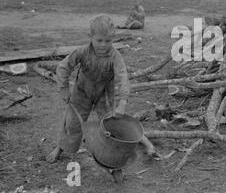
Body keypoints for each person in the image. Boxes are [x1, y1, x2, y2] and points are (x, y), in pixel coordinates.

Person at [46, 15, 156, 181]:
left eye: (108, 41)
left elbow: (122, 78)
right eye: (99, 40)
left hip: (104, 94)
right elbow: (63, 67)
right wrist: (63, 89)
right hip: (81, 92)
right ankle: (61, 148)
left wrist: (122, 103)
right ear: (90, 37)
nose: (103, 45)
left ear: (113, 39)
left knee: (109, 127)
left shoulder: (115, 57)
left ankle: (113, 165)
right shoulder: (82, 52)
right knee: (72, 123)